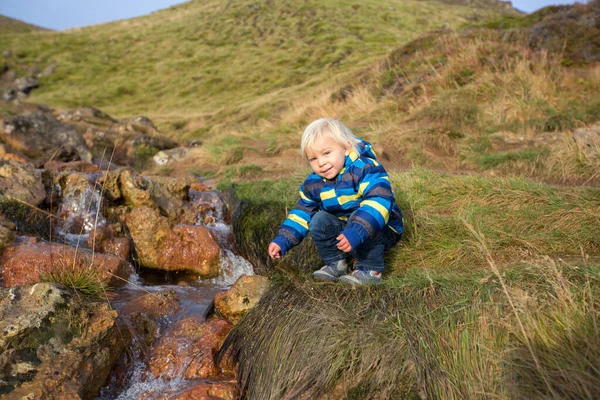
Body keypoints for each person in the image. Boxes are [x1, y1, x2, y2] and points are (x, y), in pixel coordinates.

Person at [267, 118, 403, 285]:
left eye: (326, 153)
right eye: (313, 159)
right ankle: (337, 263)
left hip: (380, 229)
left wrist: (357, 230)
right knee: (318, 220)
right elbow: (302, 213)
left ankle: (370, 269)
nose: (321, 163)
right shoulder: (314, 183)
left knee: (359, 214)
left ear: (345, 148)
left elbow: (379, 202)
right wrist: (283, 240)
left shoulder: (365, 168)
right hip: (347, 233)